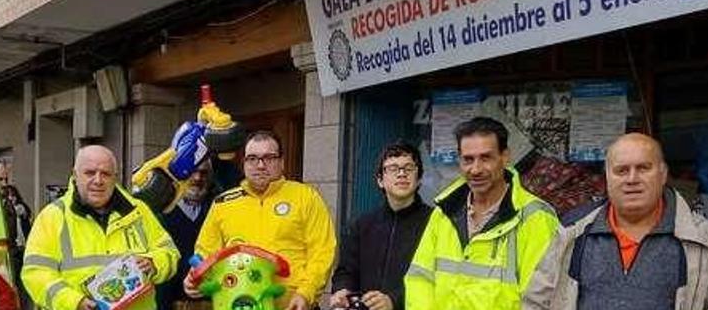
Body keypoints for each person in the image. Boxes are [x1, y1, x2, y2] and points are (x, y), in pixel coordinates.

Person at [524, 133, 708, 309]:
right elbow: (535, 302)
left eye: (643, 168)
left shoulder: (702, 238)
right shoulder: (573, 235)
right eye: (621, 171)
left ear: (663, 174)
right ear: (607, 177)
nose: (632, 179)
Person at [404, 117, 559, 310]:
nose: (476, 169)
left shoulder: (535, 218)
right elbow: (420, 279)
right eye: (468, 159)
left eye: (486, 158)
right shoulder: (444, 212)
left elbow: (540, 301)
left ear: (505, 157)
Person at [187, 130, 336, 310]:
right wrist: (196, 277)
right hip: (238, 304)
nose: (260, 165)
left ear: (281, 162)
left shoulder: (306, 197)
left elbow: (322, 251)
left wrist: (306, 292)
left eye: (269, 158)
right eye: (252, 158)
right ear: (244, 164)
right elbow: (206, 252)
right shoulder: (223, 203)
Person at [22, 145, 180, 310]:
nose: (98, 180)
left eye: (105, 174)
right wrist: (74, 302)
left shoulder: (139, 211)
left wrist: (154, 263)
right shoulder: (52, 217)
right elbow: (35, 273)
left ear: (115, 177)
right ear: (75, 175)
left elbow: (169, 252)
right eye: (90, 173)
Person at [330, 141, 433, 310]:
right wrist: (342, 290)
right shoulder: (362, 225)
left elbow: (437, 278)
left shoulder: (435, 223)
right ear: (380, 180)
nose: (401, 174)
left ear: (419, 178)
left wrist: (394, 301)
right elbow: (346, 271)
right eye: (393, 168)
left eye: (408, 168)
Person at [157, 160, 214, 310]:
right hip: (172, 304)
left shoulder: (218, 209)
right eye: (191, 171)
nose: (197, 178)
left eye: (203, 173)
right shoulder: (160, 213)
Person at [0, 160, 32, 307]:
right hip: (0, 256)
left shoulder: (7, 199)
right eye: (0, 179)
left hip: (14, 252)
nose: (4, 183)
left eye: (5, 179)